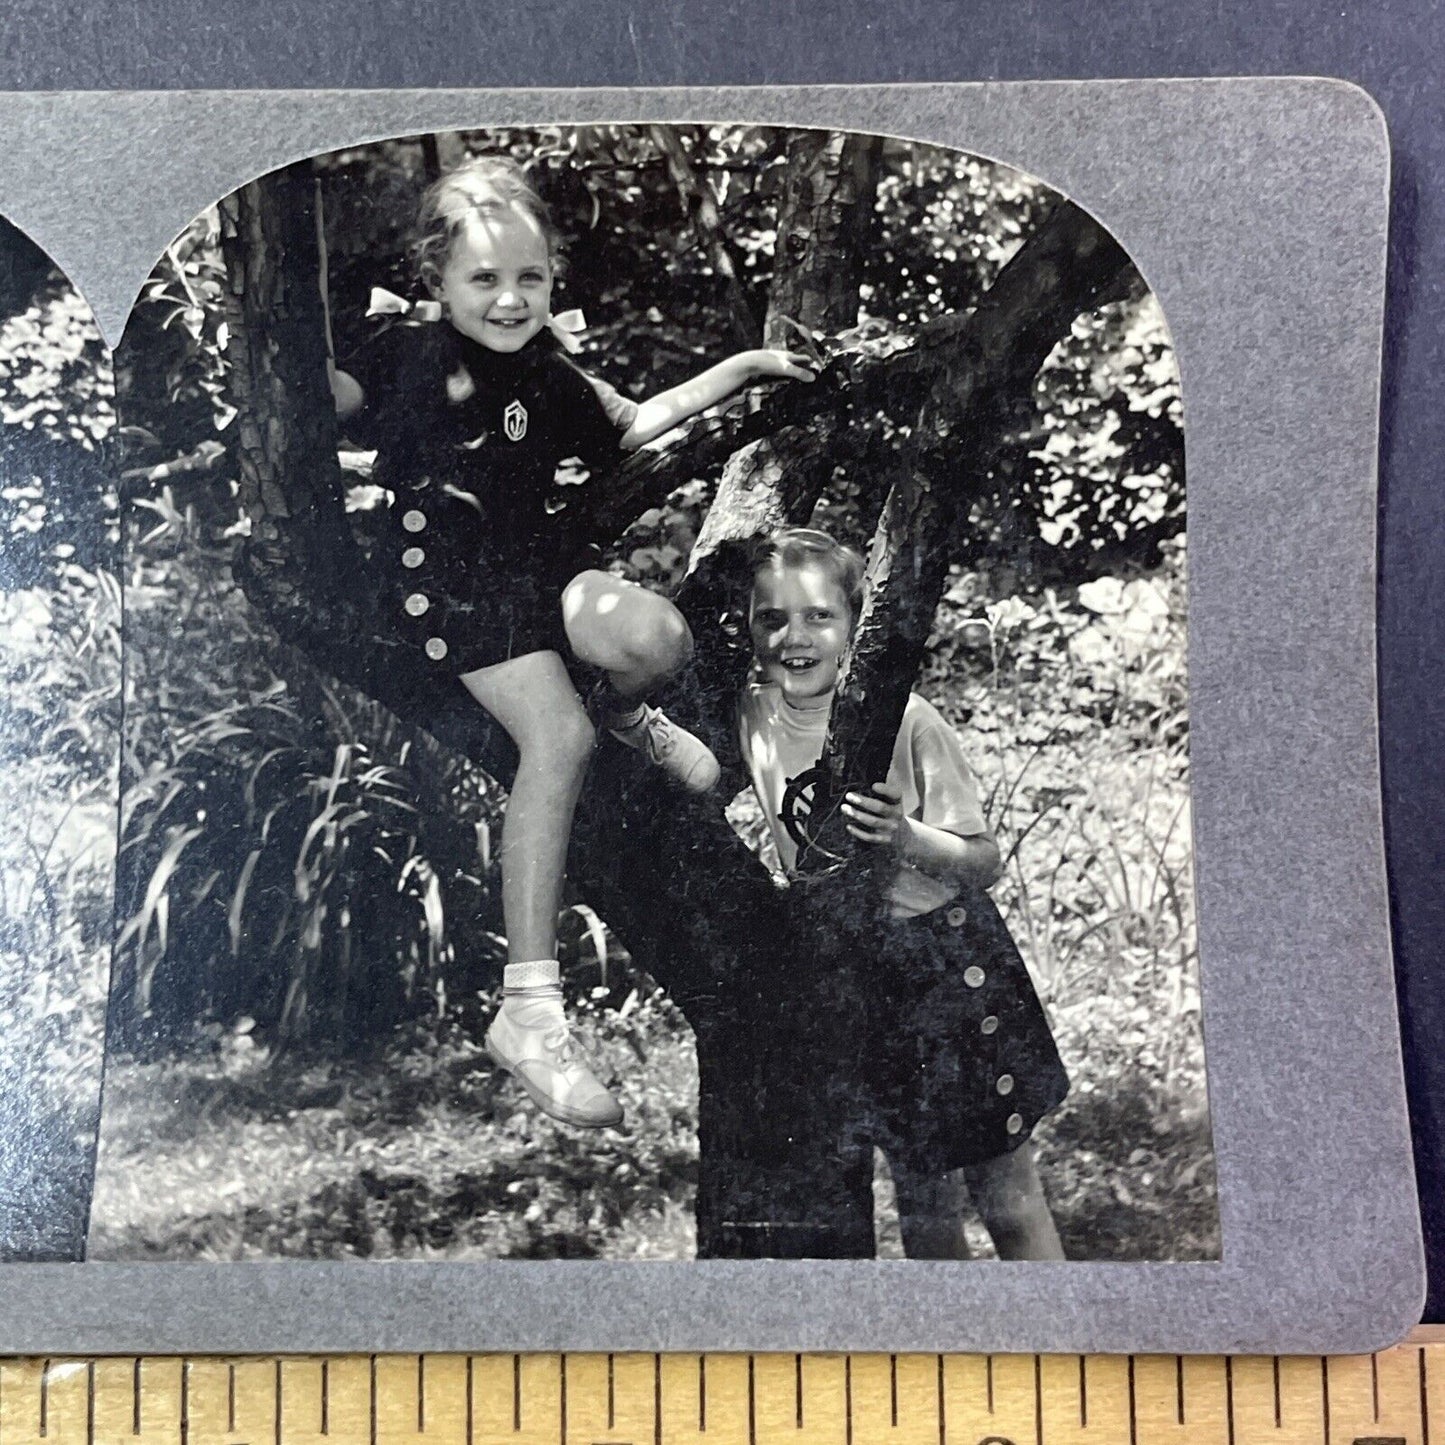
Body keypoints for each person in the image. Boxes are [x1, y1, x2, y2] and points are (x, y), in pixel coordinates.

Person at [329, 156, 814, 1131]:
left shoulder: (549, 368)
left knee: (657, 636)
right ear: (435, 277)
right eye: (482, 280)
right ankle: (530, 1013)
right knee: (555, 739)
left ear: (551, 278)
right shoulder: (399, 353)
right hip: (448, 588)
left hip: (538, 581)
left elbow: (640, 424)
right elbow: (314, 402)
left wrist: (747, 368)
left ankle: (625, 709)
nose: (510, 299)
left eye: (530, 279)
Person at [738, 527, 1069, 1258]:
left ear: (856, 628)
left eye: (819, 616)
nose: (794, 636)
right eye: (772, 617)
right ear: (749, 627)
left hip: (948, 965)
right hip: (861, 979)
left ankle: (1060, 1340)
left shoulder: (909, 720)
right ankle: (947, 1356)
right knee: (920, 1201)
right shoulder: (754, 715)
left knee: (1006, 1193)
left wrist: (907, 837)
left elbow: (983, 861)